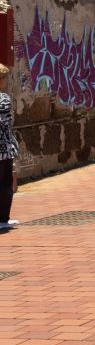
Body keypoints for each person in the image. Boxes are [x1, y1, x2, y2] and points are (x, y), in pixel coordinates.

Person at [0, 64, 18, 230]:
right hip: (3, 148)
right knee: (5, 183)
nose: (5, 81)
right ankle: (3, 218)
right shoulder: (4, 99)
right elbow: (5, 123)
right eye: (4, 77)